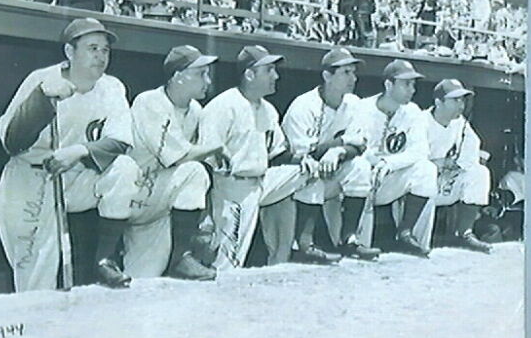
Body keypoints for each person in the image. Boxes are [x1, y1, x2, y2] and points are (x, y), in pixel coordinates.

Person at [0, 18, 140, 291]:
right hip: (31, 181)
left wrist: (78, 151)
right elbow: (11, 142)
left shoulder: (112, 87)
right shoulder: (41, 79)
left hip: (76, 176)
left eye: (105, 50)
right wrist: (42, 100)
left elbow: (121, 141)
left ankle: (105, 260)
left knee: (124, 168)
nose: (100, 56)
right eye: (92, 48)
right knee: (36, 281)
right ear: (69, 52)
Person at [199, 45, 310, 268]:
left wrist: (302, 160)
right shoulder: (223, 106)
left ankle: (287, 255)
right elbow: (205, 161)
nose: (275, 76)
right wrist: (206, 212)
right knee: (229, 261)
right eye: (269, 70)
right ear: (249, 74)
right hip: (232, 187)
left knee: (308, 171)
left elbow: (278, 153)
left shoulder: (268, 109)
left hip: (262, 181)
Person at [125, 45, 221, 281]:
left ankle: (181, 255)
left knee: (141, 282)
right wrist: (218, 147)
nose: (207, 81)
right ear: (178, 76)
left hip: (159, 204)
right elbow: (179, 157)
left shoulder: (195, 110)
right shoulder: (149, 101)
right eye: (201, 74)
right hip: (134, 194)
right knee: (193, 170)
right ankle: (181, 258)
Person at [282, 48, 381, 262]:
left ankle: (349, 240)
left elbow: (360, 145)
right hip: (292, 178)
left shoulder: (354, 103)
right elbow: (304, 154)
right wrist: (340, 143)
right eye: (346, 72)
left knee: (360, 167)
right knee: (313, 168)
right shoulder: (303, 106)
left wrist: (338, 151)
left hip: (331, 171)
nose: (353, 78)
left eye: (353, 72)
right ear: (327, 76)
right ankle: (304, 243)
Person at [355, 59, 438, 256]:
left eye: (413, 84)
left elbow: (420, 150)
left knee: (427, 170)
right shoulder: (362, 108)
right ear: (388, 84)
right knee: (361, 168)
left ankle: (408, 234)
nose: (412, 90)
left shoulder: (413, 112)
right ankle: (357, 245)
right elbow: (354, 144)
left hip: (389, 178)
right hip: (360, 180)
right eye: (406, 84)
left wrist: (389, 163)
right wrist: (375, 163)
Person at [424, 79, 492, 253]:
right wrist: (439, 164)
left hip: (445, 182)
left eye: (462, 100)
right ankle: (410, 238)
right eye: (455, 100)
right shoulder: (421, 121)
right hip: (418, 189)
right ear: (438, 102)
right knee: (424, 172)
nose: (461, 105)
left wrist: (454, 165)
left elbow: (472, 151)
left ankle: (464, 233)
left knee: (479, 172)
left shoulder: (460, 123)